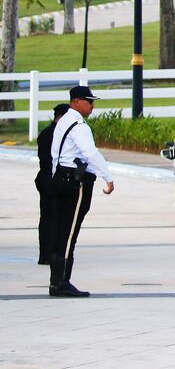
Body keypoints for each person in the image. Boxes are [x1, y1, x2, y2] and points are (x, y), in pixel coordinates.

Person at [49, 86, 114, 297]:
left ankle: (55, 281)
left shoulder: (63, 121)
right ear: (76, 101)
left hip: (59, 177)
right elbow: (90, 154)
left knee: (60, 230)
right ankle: (62, 282)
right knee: (69, 233)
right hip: (74, 182)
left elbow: (55, 154)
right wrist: (108, 177)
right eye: (89, 101)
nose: (92, 106)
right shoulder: (79, 125)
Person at [34, 103, 70, 265]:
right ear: (61, 117)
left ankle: (45, 254)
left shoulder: (45, 133)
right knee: (55, 217)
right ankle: (53, 254)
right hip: (53, 178)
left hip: (43, 177)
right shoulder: (58, 134)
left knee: (46, 217)